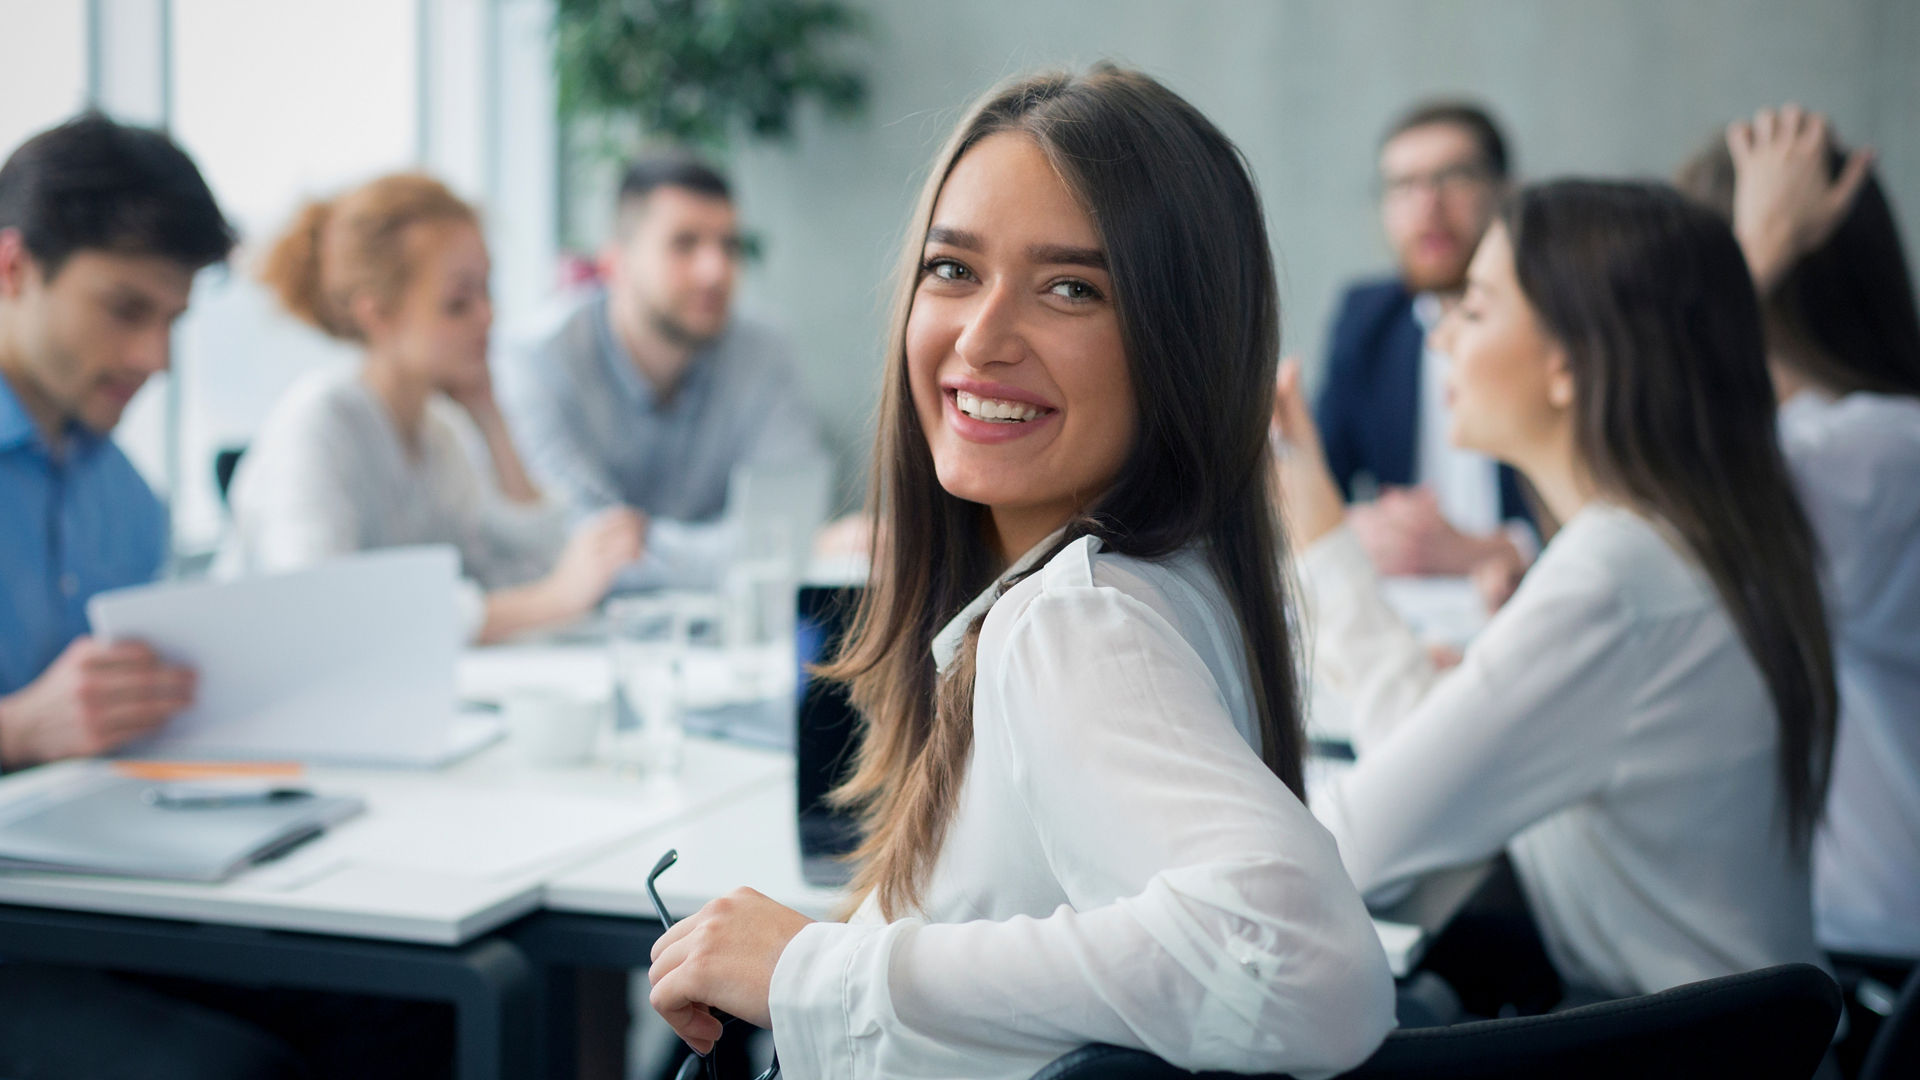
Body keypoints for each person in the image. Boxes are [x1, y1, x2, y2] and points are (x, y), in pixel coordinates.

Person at [641, 66, 1395, 1080]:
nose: (981, 338)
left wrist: (821, 970)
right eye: (953, 271)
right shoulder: (1163, 582)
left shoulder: (1076, 622)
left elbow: (1311, 967)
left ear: (1180, 344)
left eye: (1071, 289)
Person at [1274, 180, 1838, 1005]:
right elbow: (1446, 768)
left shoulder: (1613, 579)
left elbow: (1342, 852)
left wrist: (1320, 543)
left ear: (1568, 364)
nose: (1442, 346)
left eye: (1475, 310)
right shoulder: (1691, 538)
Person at [0, 111, 306, 1080]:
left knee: (404, 1009)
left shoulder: (126, 501)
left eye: (171, 320)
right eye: (125, 310)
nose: (154, 359)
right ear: (12, 270)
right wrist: (18, 730)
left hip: (88, 900)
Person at [1677, 106, 1920, 966]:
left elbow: (1653, 428)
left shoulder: (1863, 453)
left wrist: (1757, 246)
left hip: (1861, 932)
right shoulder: (1843, 442)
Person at [219, 173, 644, 643]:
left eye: (487, 292)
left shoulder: (438, 433)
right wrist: (552, 599)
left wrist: (490, 418)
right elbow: (322, 614)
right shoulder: (318, 424)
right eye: (458, 302)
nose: (487, 317)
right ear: (377, 314)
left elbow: (530, 574)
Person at [499, 155, 828, 587]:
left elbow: (789, 528)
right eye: (684, 244)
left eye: (729, 246)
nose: (715, 270)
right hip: (570, 643)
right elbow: (564, 547)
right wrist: (741, 551)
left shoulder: (765, 354)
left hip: (728, 639)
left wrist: (642, 545)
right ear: (615, 261)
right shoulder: (539, 360)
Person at [1316, 101, 1534, 593]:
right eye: (1403, 185)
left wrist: (1503, 550)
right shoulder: (1366, 319)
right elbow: (1322, 479)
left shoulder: (1556, 319)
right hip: (1411, 606)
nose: (1427, 205)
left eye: (1453, 176)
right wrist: (1362, 528)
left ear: (1505, 192)